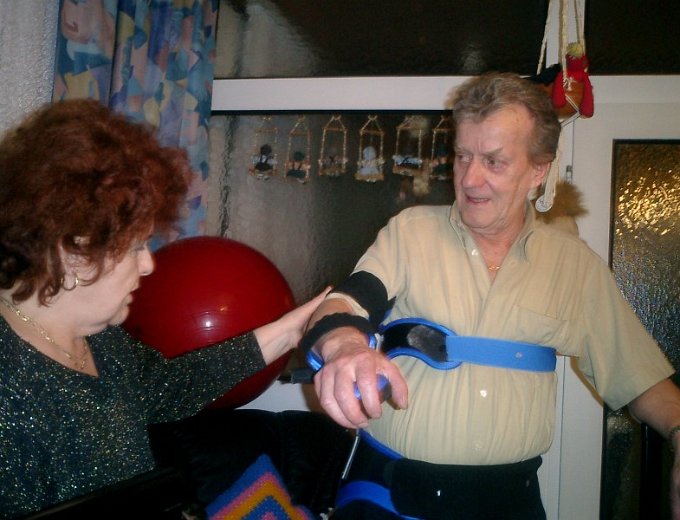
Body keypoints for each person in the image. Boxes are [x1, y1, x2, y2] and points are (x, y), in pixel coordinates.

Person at [300, 72, 680, 519]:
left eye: (494, 162)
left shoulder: (574, 267)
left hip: (510, 502)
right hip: (390, 498)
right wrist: (345, 346)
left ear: (538, 170)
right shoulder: (411, 233)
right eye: (463, 156)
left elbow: (639, 376)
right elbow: (345, 303)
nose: (470, 179)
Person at [0, 99, 328, 518]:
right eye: (136, 247)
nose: (149, 264)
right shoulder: (9, 384)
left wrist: (289, 330)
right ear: (75, 250)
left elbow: (174, 385)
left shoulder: (101, 341)